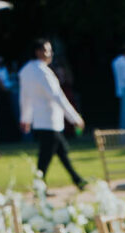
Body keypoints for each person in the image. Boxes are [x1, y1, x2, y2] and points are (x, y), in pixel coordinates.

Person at [19, 39, 86, 189]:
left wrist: (25, 118)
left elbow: (25, 98)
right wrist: (74, 117)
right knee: (46, 157)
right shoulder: (43, 72)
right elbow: (57, 96)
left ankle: (78, 180)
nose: (51, 54)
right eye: (48, 50)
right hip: (50, 120)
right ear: (38, 52)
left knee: (61, 151)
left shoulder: (25, 71)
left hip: (41, 120)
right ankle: (39, 187)